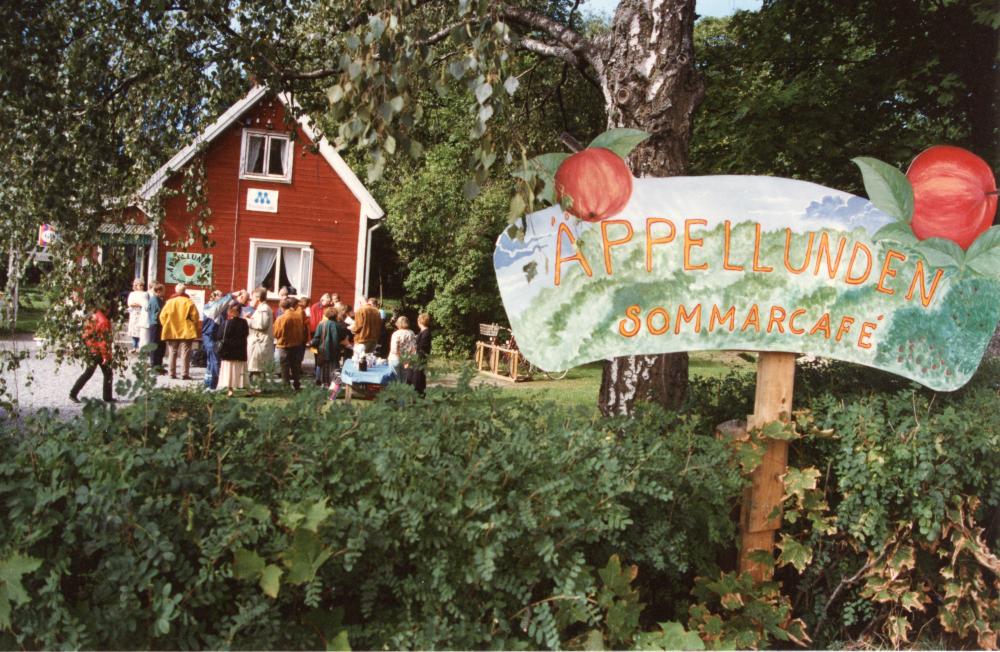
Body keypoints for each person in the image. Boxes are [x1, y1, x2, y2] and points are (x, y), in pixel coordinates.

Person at [69, 304, 115, 403]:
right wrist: (105, 356)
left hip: (91, 349)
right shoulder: (104, 321)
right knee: (107, 374)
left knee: (88, 373)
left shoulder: (90, 318)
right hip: (99, 351)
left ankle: (73, 393)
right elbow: (104, 340)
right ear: (106, 309)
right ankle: (107, 397)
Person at [159, 283, 199, 380]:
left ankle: (171, 373)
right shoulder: (189, 302)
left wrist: (167, 325)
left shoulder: (170, 302)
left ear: (176, 290)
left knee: (172, 351)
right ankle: (184, 374)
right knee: (185, 352)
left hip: (172, 329)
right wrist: (194, 327)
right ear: (185, 291)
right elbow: (195, 317)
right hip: (186, 329)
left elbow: (162, 317)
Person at [216, 302, 249, 396]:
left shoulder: (226, 323)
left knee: (229, 370)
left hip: (228, 350)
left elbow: (219, 336)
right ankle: (246, 389)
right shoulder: (244, 322)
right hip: (240, 349)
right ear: (240, 311)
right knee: (241, 369)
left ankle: (230, 390)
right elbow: (246, 334)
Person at [246, 287, 274, 395]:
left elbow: (262, 325)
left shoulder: (263, 309)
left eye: (253, 296)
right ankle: (262, 387)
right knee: (257, 366)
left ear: (258, 297)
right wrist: (252, 319)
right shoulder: (262, 308)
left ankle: (258, 389)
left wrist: (248, 321)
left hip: (260, 341)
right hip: (259, 341)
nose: (252, 298)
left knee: (257, 366)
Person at [273, 298, 305, 390]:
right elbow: (302, 329)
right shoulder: (299, 315)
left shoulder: (281, 318)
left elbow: (276, 333)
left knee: (284, 365)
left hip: (284, 344)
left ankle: (286, 385)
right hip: (296, 343)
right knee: (295, 364)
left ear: (282, 308)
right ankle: (296, 384)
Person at [201, 290, 228, 390]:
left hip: (215, 336)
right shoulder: (210, 307)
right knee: (214, 360)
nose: (222, 299)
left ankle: (209, 382)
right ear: (216, 296)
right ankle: (213, 384)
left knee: (212, 360)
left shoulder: (217, 308)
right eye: (221, 296)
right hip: (210, 335)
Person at [314, 306, 347, 386]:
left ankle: (323, 383)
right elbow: (342, 337)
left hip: (323, 349)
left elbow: (317, 338)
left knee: (323, 368)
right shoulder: (339, 326)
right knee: (334, 367)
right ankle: (334, 384)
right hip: (335, 350)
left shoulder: (321, 325)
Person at [350, 297, 381, 362]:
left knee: (359, 361)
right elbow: (379, 325)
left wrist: (351, 328)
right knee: (369, 362)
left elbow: (358, 326)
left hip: (362, 339)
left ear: (360, 302)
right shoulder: (376, 311)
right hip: (374, 339)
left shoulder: (360, 310)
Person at [387, 315, 416, 383]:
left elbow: (395, 350)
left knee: (396, 380)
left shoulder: (395, 334)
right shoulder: (411, 333)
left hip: (395, 359)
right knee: (404, 380)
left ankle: (397, 393)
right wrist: (407, 361)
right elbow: (413, 349)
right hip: (406, 359)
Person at [409, 313, 432, 396]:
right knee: (414, 376)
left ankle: (418, 396)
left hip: (420, 358)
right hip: (417, 357)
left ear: (420, 321)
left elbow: (422, 346)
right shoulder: (422, 332)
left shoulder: (426, 332)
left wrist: (413, 345)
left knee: (418, 377)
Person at [146, 282, 166, 372]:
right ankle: (154, 366)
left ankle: (159, 365)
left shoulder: (158, 299)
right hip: (155, 325)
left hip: (158, 325)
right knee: (155, 346)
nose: (164, 292)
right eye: (163, 291)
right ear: (158, 291)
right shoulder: (155, 300)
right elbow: (156, 315)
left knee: (160, 346)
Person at [127, 279, 149, 354]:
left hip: (141, 312)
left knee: (140, 330)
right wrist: (135, 304)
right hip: (133, 313)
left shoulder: (145, 293)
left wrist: (137, 303)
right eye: (140, 285)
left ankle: (139, 346)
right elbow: (130, 303)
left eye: (142, 285)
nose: (141, 287)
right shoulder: (132, 294)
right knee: (133, 330)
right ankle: (134, 346)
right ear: (136, 286)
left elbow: (143, 303)